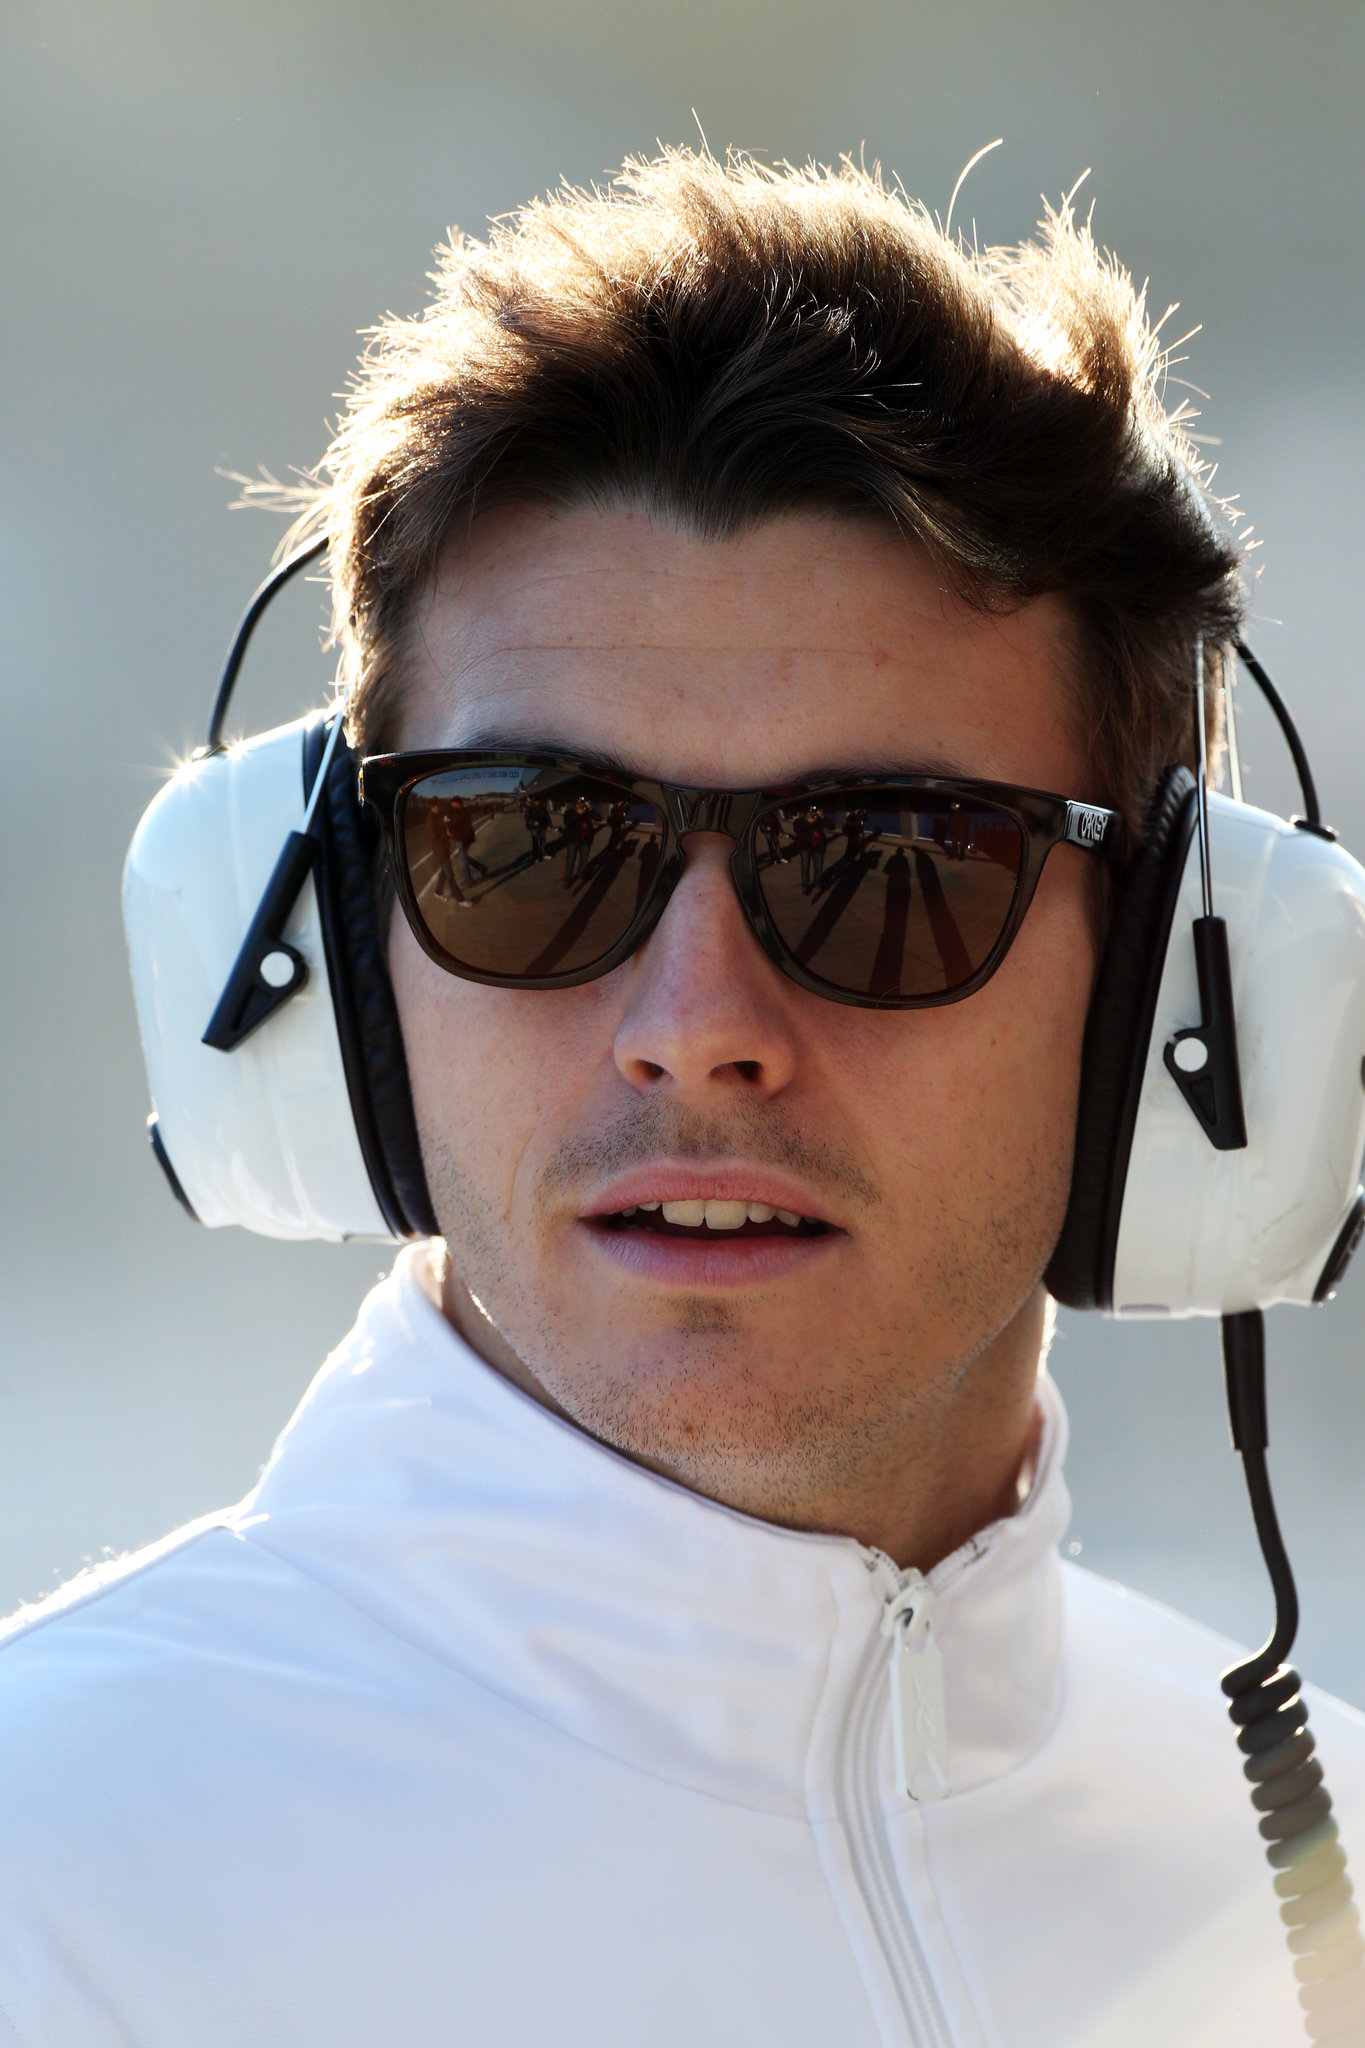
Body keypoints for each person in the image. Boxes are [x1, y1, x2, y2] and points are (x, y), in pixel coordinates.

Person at [2, 150, 1363, 2048]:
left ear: (1164, 984)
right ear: (333, 959)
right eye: (528, 848)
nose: (696, 1027)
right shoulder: (45, 1892)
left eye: (891, 862)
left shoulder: (1318, 1891)